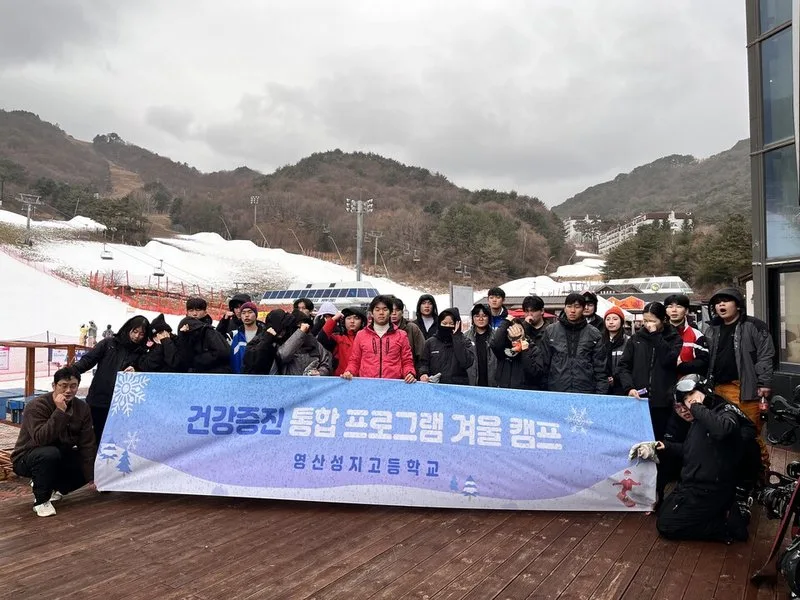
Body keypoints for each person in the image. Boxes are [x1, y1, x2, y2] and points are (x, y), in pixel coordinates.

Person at [645, 374, 760, 543]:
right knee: (665, 510)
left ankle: (727, 526)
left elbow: (723, 429)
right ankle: (723, 512)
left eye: (692, 394)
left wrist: (697, 407)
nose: (689, 402)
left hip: (710, 487)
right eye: (685, 399)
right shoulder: (700, 418)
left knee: (666, 525)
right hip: (694, 483)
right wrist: (665, 446)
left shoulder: (723, 411)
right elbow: (694, 449)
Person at [11, 366, 95, 517]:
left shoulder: (82, 408)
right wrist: (60, 412)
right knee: (49, 453)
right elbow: (41, 439)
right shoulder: (36, 406)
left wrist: (92, 477)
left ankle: (54, 488)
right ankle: (41, 501)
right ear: (54, 386)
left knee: (88, 460)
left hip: (59, 454)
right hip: (27, 457)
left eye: (73, 386)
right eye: (63, 386)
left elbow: (87, 443)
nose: (68, 390)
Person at [705, 287, 774, 469]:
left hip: (746, 389)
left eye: (726, 301)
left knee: (750, 434)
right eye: (718, 302)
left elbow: (766, 355)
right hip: (718, 389)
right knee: (722, 433)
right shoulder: (712, 329)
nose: (721, 304)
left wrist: (764, 382)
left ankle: (761, 475)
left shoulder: (754, 326)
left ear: (738, 305)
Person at [73, 315, 151, 441]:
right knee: (93, 437)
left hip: (122, 406)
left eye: (141, 334)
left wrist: (137, 371)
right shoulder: (109, 343)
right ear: (128, 329)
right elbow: (88, 360)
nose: (137, 336)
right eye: (135, 332)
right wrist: (72, 371)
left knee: (115, 440)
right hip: (98, 400)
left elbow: (147, 372)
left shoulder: (142, 352)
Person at [616, 302, 682, 442]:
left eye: (652, 321)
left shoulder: (674, 338)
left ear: (663, 320)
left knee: (659, 440)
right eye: (645, 320)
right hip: (639, 398)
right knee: (637, 439)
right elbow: (623, 366)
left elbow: (667, 360)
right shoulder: (636, 339)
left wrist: (655, 335)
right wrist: (629, 387)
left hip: (663, 401)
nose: (648, 324)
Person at [533, 293, 608, 394]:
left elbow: (601, 370)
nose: (572, 311)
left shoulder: (594, 334)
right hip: (556, 390)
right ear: (564, 308)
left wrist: (600, 395)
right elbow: (543, 364)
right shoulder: (551, 331)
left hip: (585, 391)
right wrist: (543, 391)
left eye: (577, 307)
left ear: (583, 309)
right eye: (569, 306)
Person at [342, 295, 416, 382]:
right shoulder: (361, 335)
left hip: (393, 386)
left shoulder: (401, 335)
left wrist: (409, 373)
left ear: (390, 312)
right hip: (367, 386)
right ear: (372, 313)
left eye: (385, 309)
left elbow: (407, 361)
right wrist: (349, 371)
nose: (381, 313)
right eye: (377, 310)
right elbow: (354, 360)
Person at [418, 309, 474, 385]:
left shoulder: (465, 341)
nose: (448, 326)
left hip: (458, 387)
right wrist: (423, 373)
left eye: (451, 324)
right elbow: (423, 363)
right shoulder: (430, 342)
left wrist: (456, 338)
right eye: (444, 323)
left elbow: (466, 362)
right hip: (435, 386)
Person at [272, 310, 333, 376]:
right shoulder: (283, 342)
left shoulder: (315, 344)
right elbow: (283, 356)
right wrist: (300, 333)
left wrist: (319, 372)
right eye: (298, 326)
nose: (304, 329)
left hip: (312, 384)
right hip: (290, 384)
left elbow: (326, 364)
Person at [664, 293, 709, 377]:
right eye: (670, 307)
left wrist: (681, 366)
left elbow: (703, 362)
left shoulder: (697, 335)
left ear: (686, 311)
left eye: (679, 307)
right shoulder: (658, 333)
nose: (674, 310)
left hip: (687, 385)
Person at [318, 306, 367, 376]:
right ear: (344, 321)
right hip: (341, 378)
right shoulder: (338, 338)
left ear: (362, 322)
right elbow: (321, 338)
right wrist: (334, 319)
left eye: (356, 318)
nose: (352, 321)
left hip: (363, 379)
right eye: (349, 318)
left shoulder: (368, 338)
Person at [389, 297, 426, 374]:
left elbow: (422, 353)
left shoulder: (412, 328)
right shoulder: (382, 330)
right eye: (391, 310)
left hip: (410, 375)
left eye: (397, 310)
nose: (394, 313)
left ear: (402, 312)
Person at [465, 304, 497, 387]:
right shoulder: (465, 337)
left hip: (492, 383)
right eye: (477, 316)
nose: (481, 319)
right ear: (472, 318)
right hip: (472, 383)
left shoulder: (496, 336)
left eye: (484, 316)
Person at [230, 302, 266, 374]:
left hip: (259, 379)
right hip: (237, 379)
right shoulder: (233, 336)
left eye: (250, 312)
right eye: (243, 313)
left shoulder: (264, 335)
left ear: (256, 315)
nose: (246, 315)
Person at [602, 306, 629, 396]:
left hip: (622, 386)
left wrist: (616, 378)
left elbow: (628, 364)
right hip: (603, 385)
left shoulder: (628, 341)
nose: (611, 322)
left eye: (615, 319)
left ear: (621, 321)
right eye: (608, 319)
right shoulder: (599, 340)